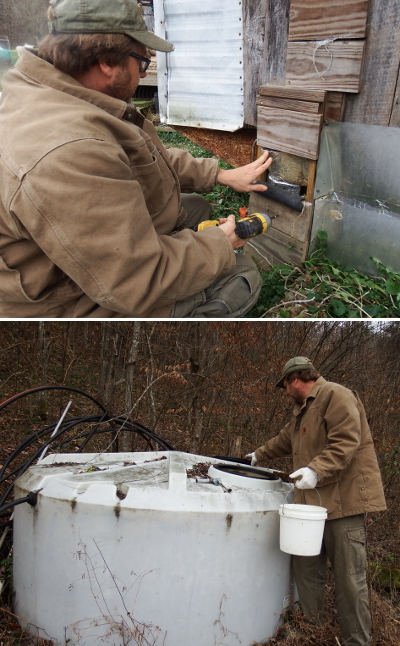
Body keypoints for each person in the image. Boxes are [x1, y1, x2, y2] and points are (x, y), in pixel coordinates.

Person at [0, 0, 272, 319]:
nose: (143, 73)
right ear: (105, 62)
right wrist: (222, 243)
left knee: (196, 206)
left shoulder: (56, 92)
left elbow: (141, 155)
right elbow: (137, 281)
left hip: (75, 251)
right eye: (143, 62)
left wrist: (219, 174)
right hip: (67, 298)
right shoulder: (68, 150)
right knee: (241, 276)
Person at [246, 356, 386, 646]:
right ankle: (312, 632)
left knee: (349, 580)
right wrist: (259, 455)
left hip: (344, 504)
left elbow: (347, 440)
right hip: (311, 507)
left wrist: (315, 469)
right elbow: (286, 439)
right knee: (306, 570)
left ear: (295, 379)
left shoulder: (336, 395)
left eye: (285, 385)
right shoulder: (302, 411)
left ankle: (356, 641)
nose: (285, 392)